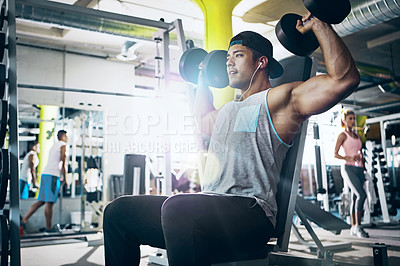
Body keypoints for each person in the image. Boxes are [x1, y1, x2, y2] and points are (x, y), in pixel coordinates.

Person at [104, 11, 360, 266]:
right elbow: (203, 117)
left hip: (251, 216)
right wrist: (203, 75)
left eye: (238, 56)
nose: (229, 63)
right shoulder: (226, 110)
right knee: (118, 213)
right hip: (210, 211)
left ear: (261, 62)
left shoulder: (278, 101)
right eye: (227, 58)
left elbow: (343, 79)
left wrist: (319, 24)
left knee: (178, 208)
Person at [21, 130, 68, 233]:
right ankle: (48, 228)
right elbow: (64, 163)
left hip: (46, 174)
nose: (67, 138)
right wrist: (66, 178)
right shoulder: (63, 145)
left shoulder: (54, 146)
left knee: (41, 201)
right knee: (49, 203)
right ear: (63, 136)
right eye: (67, 136)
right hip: (52, 175)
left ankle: (24, 220)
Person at [334, 110, 369, 238]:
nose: (353, 121)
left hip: (359, 169)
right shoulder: (342, 135)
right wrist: (348, 158)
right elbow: (335, 154)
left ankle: (354, 227)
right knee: (361, 195)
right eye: (350, 118)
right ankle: (359, 227)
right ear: (344, 120)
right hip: (348, 168)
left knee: (356, 197)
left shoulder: (357, 135)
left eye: (354, 118)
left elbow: (360, 153)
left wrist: (364, 168)